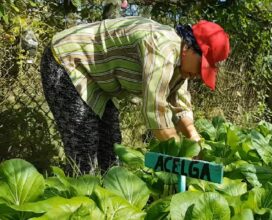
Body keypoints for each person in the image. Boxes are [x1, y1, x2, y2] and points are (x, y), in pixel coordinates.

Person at [40, 16, 230, 174]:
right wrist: (182, 155)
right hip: (68, 60)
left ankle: (107, 204)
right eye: (201, 66)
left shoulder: (181, 65)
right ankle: (79, 203)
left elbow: (180, 103)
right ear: (188, 47)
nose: (198, 74)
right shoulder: (162, 47)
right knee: (84, 147)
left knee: (111, 146)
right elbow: (155, 110)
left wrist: (194, 138)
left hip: (97, 81)